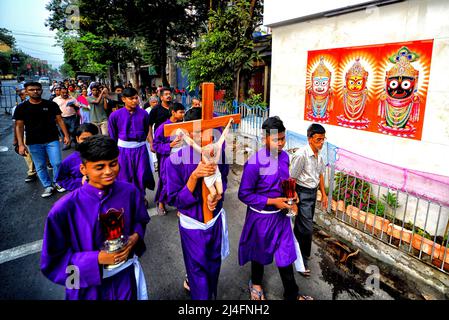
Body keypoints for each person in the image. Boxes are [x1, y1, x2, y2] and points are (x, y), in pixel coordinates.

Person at [40, 135, 150, 300]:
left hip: (125, 278)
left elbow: (140, 220)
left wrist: (135, 237)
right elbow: (52, 262)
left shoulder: (130, 192)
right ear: (83, 169)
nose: (109, 171)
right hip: (88, 288)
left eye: (113, 164)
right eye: (99, 167)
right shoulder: (64, 209)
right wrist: (95, 259)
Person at [238, 116, 313, 301]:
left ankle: (292, 295)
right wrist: (273, 202)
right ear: (265, 139)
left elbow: (284, 183)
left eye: (282, 138)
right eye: (276, 139)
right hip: (261, 218)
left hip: (281, 217)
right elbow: (244, 194)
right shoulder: (255, 163)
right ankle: (255, 283)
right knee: (259, 253)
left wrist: (292, 196)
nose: (280, 143)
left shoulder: (285, 157)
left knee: (286, 255)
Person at [165, 112, 230, 300]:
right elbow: (177, 200)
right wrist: (194, 176)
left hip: (214, 220)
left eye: (211, 132)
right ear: (189, 133)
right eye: (200, 132)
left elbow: (223, 180)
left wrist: (216, 197)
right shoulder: (175, 161)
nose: (206, 138)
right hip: (193, 224)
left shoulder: (218, 153)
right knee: (197, 269)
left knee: (214, 265)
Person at [14, 82, 70, 198]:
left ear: (41, 90)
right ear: (26, 91)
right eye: (32, 89)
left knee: (57, 163)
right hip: (33, 142)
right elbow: (19, 126)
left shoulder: (51, 104)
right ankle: (47, 186)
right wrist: (20, 144)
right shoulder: (21, 108)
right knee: (40, 166)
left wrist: (66, 135)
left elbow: (59, 120)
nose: (35, 91)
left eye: (37, 89)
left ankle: (57, 182)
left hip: (52, 139)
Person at [290, 123, 328, 276]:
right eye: (319, 139)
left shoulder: (319, 154)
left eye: (323, 139)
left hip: (312, 193)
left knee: (302, 226)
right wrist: (293, 199)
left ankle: (296, 253)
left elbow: (320, 175)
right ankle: (302, 260)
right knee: (307, 229)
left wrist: (324, 194)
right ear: (310, 139)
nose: (321, 143)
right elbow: (291, 177)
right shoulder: (301, 154)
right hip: (302, 193)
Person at [108, 87, 155, 204]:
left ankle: (141, 197)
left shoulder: (144, 114)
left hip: (140, 149)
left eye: (136, 98)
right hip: (123, 150)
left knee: (141, 174)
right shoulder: (115, 115)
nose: (135, 101)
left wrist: (149, 142)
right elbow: (113, 135)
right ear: (123, 99)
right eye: (131, 98)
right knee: (124, 175)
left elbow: (146, 130)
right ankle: (128, 198)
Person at [178, 118, 234, 210]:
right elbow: (192, 143)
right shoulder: (203, 151)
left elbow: (224, 135)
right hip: (208, 176)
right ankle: (209, 201)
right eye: (198, 132)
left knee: (220, 192)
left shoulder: (217, 147)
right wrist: (183, 135)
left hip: (216, 173)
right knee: (213, 193)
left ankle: (213, 200)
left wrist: (228, 124)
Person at [152, 102, 185, 215]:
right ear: (173, 112)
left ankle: (180, 206)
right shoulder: (163, 127)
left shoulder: (184, 125)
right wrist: (170, 145)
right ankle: (161, 203)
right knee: (166, 182)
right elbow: (156, 145)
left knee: (181, 181)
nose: (183, 114)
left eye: (183, 112)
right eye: (180, 112)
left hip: (181, 159)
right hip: (167, 158)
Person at [56, 123, 99, 191]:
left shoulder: (105, 155)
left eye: (91, 139)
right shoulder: (69, 161)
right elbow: (61, 179)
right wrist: (80, 182)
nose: (87, 142)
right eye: (84, 139)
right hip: (82, 194)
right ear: (77, 139)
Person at [11, 89, 37, 183]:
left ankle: (46, 164)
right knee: (27, 154)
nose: (26, 95)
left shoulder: (38, 105)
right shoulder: (16, 108)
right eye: (24, 94)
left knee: (40, 152)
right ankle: (32, 172)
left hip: (39, 133)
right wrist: (16, 139)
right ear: (21, 96)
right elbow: (16, 125)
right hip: (25, 134)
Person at [147, 87, 172, 153]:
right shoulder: (156, 109)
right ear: (161, 97)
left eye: (169, 94)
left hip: (173, 140)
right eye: (166, 94)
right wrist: (151, 143)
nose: (169, 96)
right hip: (160, 141)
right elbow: (149, 125)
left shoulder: (174, 107)